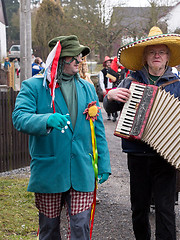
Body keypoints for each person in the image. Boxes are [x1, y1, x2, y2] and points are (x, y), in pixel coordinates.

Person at [103, 26, 180, 240]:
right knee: (139, 208)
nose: (157, 55)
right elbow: (110, 109)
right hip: (137, 155)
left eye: (162, 52)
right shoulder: (130, 81)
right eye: (152, 52)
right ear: (145, 57)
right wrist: (110, 97)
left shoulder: (179, 88)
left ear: (168, 58)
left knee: (166, 210)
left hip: (165, 158)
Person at [12, 35, 111, 239]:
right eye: (73, 57)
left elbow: (98, 129)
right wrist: (46, 119)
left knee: (80, 228)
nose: (79, 61)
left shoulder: (87, 87)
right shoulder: (34, 86)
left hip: (82, 170)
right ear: (59, 59)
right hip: (50, 171)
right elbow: (19, 118)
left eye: (80, 57)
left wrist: (104, 163)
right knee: (48, 230)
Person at [98, 56, 119, 121]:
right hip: (106, 88)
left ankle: (114, 115)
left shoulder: (114, 70)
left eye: (110, 62)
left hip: (113, 88)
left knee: (114, 101)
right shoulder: (102, 72)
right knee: (108, 102)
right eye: (107, 62)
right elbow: (101, 81)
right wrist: (103, 89)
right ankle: (109, 114)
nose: (109, 63)